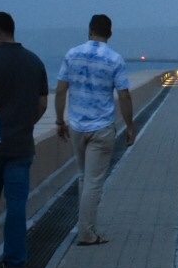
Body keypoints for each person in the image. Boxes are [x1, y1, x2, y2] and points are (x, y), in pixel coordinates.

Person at [0, 11, 49, 268]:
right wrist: (26, 124)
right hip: (21, 144)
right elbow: (42, 103)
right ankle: (15, 260)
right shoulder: (34, 61)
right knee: (16, 204)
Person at [54, 13, 135, 246]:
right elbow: (124, 95)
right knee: (94, 181)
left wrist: (60, 121)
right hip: (101, 127)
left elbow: (60, 90)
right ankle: (87, 232)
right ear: (110, 33)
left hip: (77, 126)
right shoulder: (115, 59)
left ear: (89, 30)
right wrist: (130, 126)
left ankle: (85, 225)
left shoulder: (72, 54)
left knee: (84, 177)